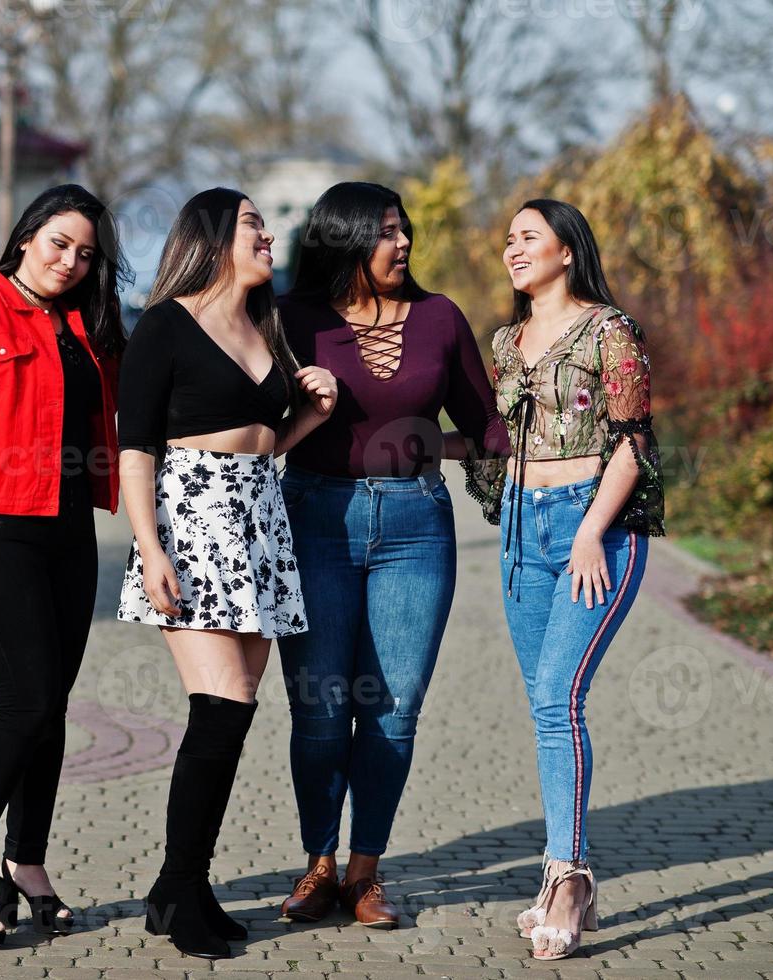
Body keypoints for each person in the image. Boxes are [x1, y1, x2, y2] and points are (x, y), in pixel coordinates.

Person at [274, 181, 510, 928]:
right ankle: (316, 864)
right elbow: (248, 418)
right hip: (314, 517)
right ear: (342, 239)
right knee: (319, 712)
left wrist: (423, 443)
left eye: (403, 229)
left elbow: (486, 429)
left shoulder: (440, 318)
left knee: (392, 713)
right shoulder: (294, 321)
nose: (402, 242)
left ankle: (364, 873)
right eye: (384, 232)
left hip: (414, 528)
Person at [115, 187, 338, 959]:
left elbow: (266, 443)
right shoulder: (166, 326)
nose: (267, 234)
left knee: (235, 713)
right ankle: (181, 889)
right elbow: (136, 448)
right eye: (251, 222)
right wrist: (150, 548)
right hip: (191, 519)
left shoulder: (263, 326)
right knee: (220, 704)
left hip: (259, 521)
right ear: (210, 237)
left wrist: (308, 414)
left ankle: (179, 885)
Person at [0, 184, 129, 946]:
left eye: (85, 253)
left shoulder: (87, 327)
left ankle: (26, 866)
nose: (70, 262)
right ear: (25, 237)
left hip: (66, 534)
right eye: (58, 244)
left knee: (52, 708)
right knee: (23, 701)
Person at [482, 198, 666, 960]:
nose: (511, 250)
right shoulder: (505, 340)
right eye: (507, 240)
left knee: (559, 696)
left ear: (566, 250)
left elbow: (634, 439)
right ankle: (562, 868)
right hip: (522, 530)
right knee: (542, 706)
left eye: (527, 237)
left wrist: (592, 529)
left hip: (595, 530)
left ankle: (568, 876)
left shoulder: (608, 330)